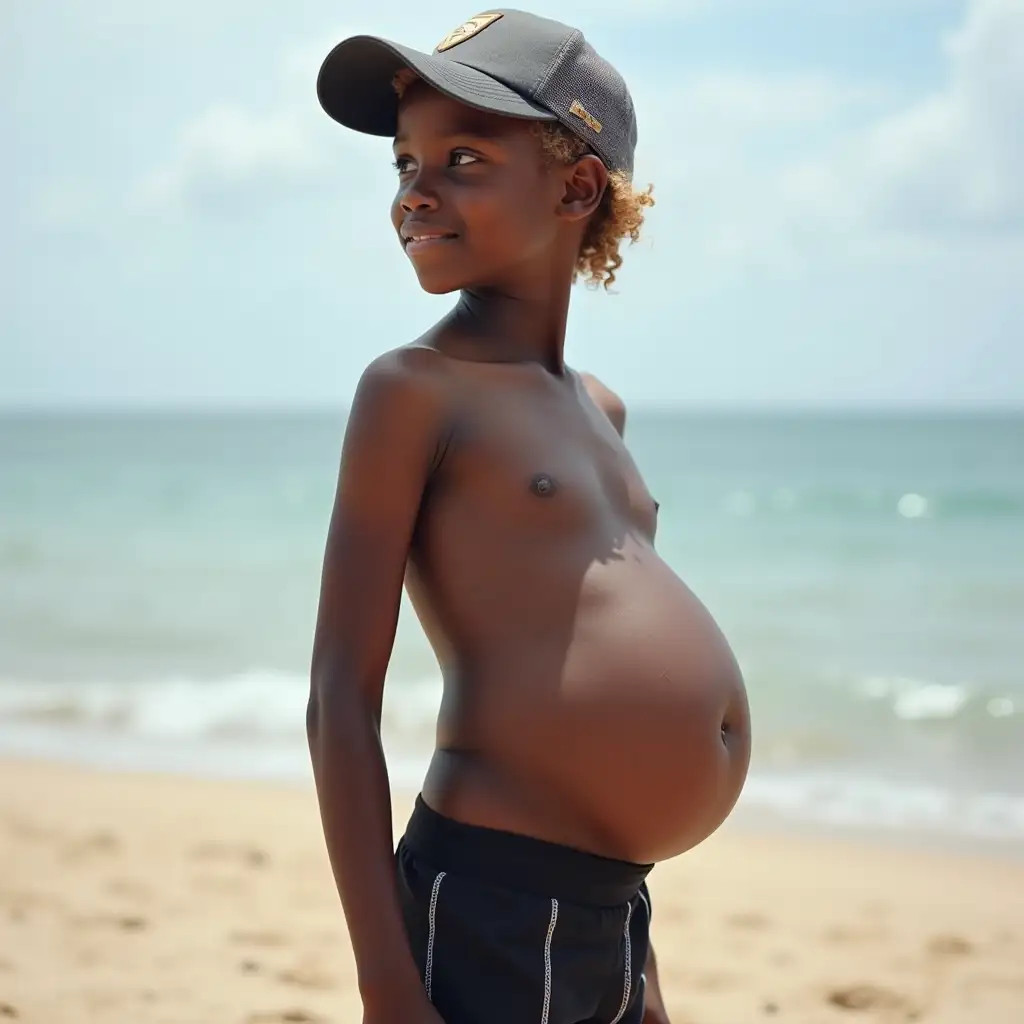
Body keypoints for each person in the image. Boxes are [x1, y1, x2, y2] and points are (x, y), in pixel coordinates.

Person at [307, 9, 751, 1024]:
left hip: (607, 907)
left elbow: (588, 682)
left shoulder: (598, 409)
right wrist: (386, 981)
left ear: (575, 185)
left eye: (461, 158)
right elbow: (339, 696)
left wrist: (640, 966)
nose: (416, 189)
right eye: (403, 162)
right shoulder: (415, 390)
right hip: (492, 901)